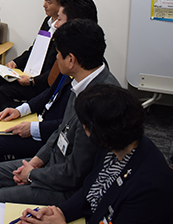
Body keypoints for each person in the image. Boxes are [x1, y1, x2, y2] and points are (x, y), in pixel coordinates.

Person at [0, 0, 99, 206]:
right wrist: (20, 110)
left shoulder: (87, 78)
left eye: (59, 19)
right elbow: (51, 97)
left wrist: (31, 135)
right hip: (47, 132)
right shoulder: (74, 59)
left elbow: (73, 164)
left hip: (57, 160)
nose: (55, 24)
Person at [0, 20, 120, 210]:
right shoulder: (82, 80)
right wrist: (37, 161)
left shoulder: (101, 100)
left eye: (58, 54)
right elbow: (61, 130)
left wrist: (32, 175)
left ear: (70, 60)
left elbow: (75, 173)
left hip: (69, 188)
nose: (55, 58)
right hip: (55, 163)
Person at [19, 84, 173, 224]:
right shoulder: (114, 147)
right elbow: (90, 190)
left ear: (98, 132)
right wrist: (60, 212)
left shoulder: (149, 186)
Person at [0, 0, 74, 118]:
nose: (44, 5)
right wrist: (16, 63)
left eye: (48, 2)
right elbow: (35, 48)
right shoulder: (47, 21)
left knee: (3, 91)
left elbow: (55, 71)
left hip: (42, 81)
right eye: (44, 0)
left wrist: (32, 81)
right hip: (30, 73)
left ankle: (3, 123)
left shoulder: (66, 30)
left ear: (61, 4)